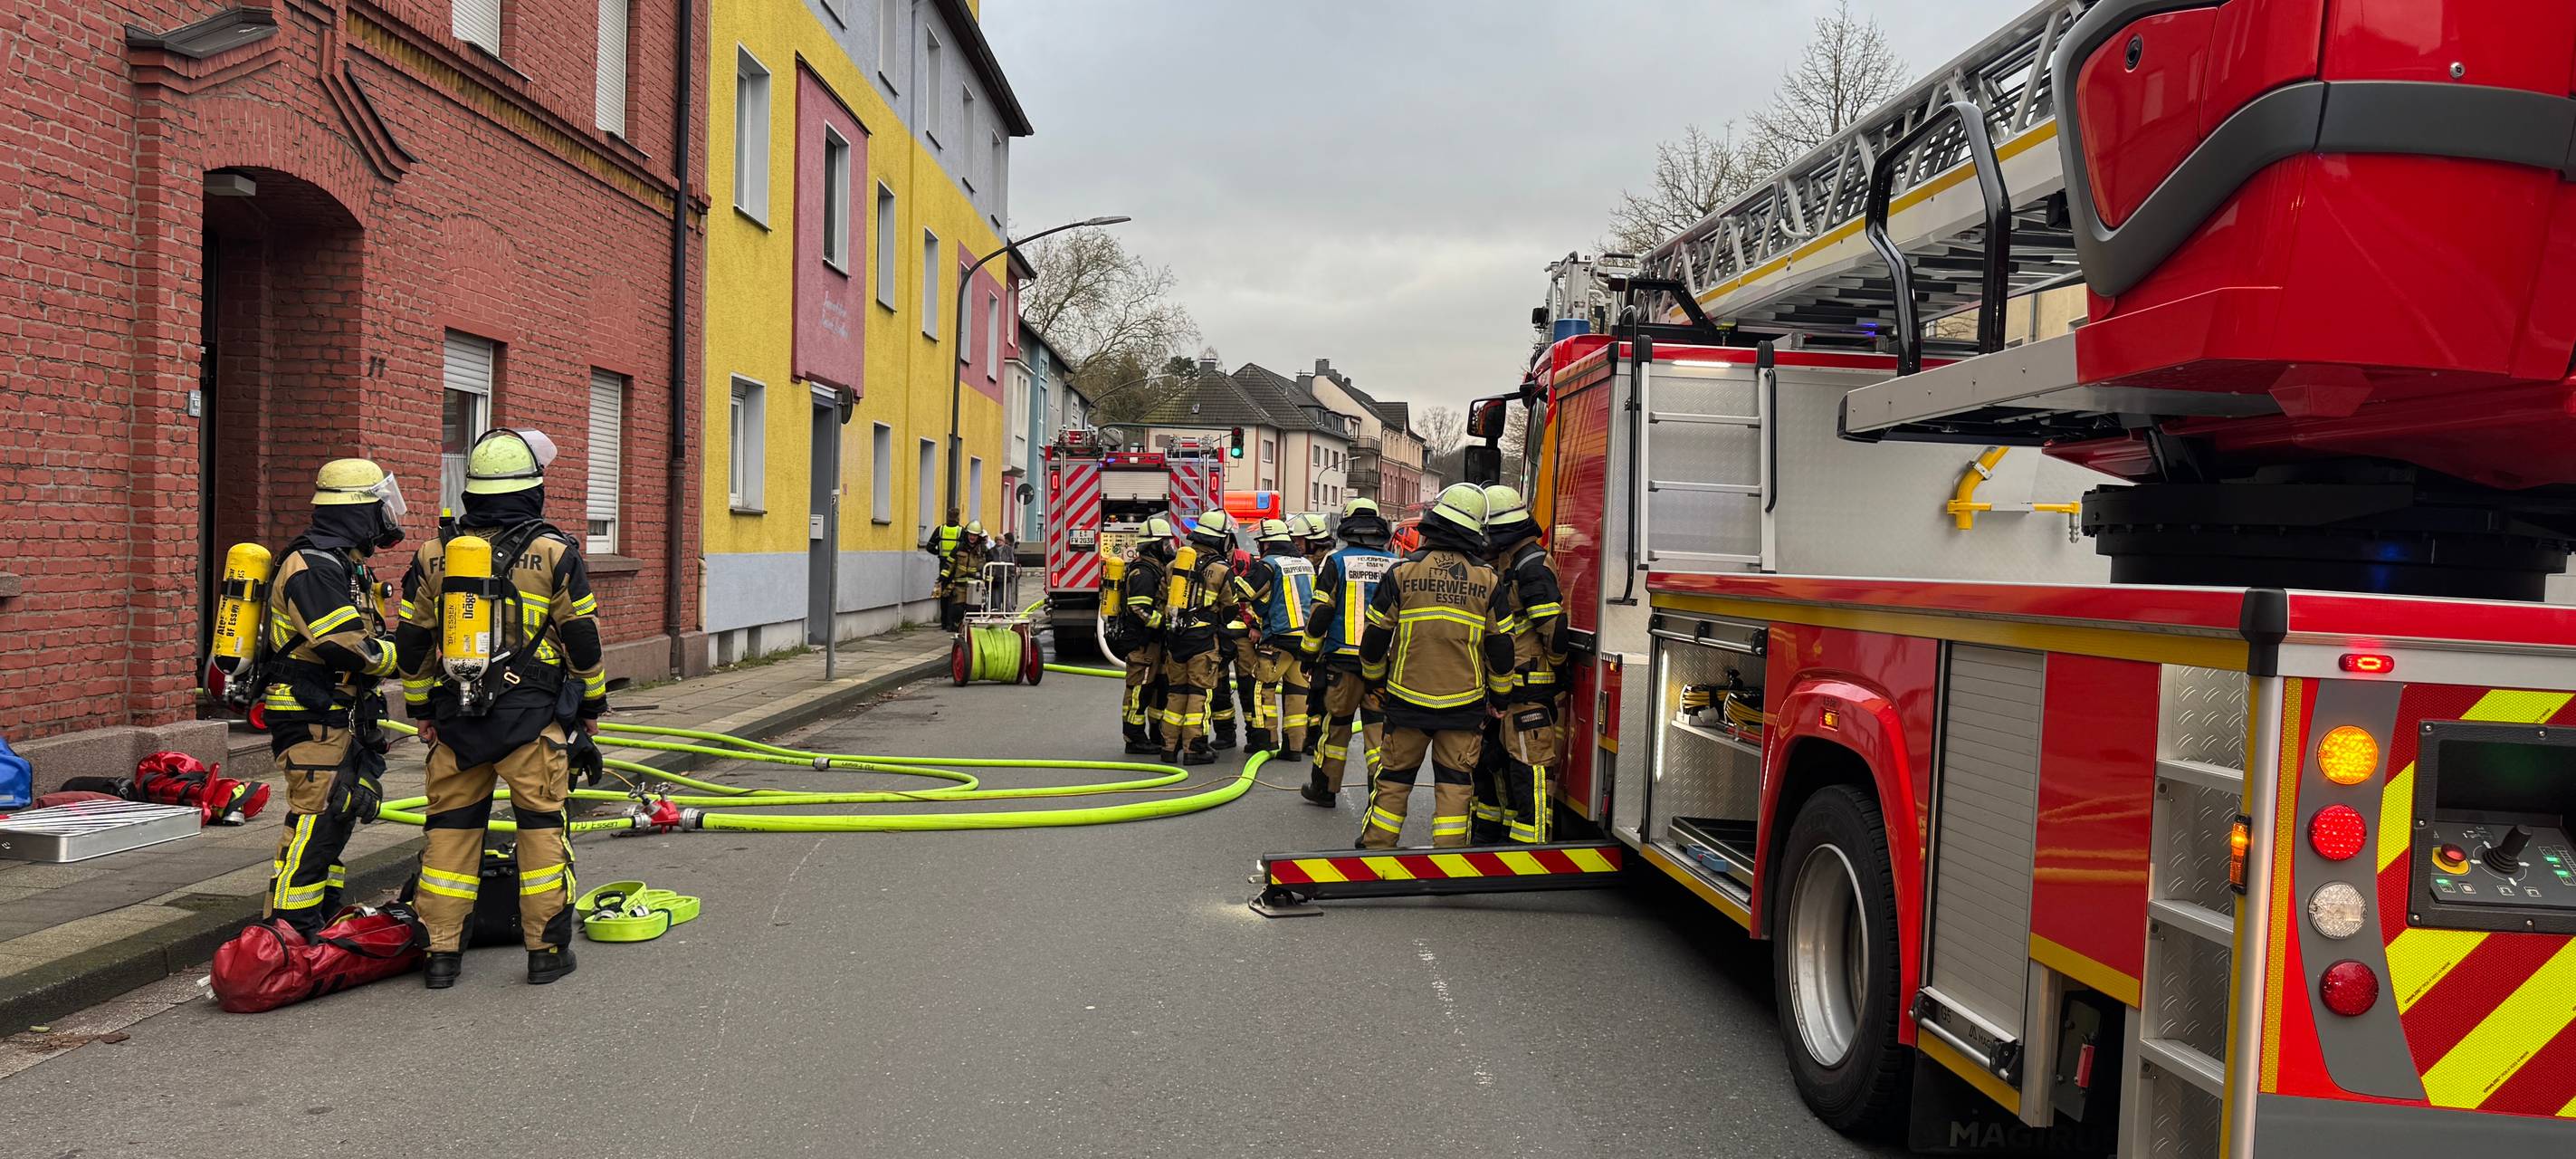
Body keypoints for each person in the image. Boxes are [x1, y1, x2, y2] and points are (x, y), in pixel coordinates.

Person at [395, 428, 604, 989]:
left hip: (456, 721)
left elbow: (412, 642)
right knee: (540, 830)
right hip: (531, 721)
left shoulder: (435, 553)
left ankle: (441, 956)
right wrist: (592, 704)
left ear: (473, 491)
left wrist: (421, 709)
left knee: (450, 834)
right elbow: (582, 639)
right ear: (533, 489)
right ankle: (546, 952)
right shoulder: (554, 552)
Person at [259, 459, 405, 935]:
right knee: (317, 818)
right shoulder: (313, 567)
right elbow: (345, 645)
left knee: (338, 816)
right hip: (312, 712)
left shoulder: (343, 563)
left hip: (338, 712)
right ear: (358, 512)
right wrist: (404, 657)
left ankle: (320, 915)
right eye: (381, 506)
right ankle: (289, 928)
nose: (388, 515)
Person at [1355, 484, 1513, 848]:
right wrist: (1500, 699)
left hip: (1406, 699)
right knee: (1455, 785)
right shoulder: (1488, 579)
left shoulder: (1403, 572)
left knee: (1394, 779)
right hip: (1463, 704)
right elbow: (1501, 647)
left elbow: (1375, 638)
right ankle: (1449, 859)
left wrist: (1375, 681)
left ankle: (1377, 850)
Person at [1475, 485, 1569, 846]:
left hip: (1530, 685)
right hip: (1510, 683)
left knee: (1529, 766)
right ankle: (1499, 837)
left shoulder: (1532, 566)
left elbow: (1553, 629)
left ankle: (1532, 846)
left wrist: (1556, 669)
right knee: (1499, 762)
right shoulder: (1512, 562)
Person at [1297, 499, 1395, 805]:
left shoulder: (1336, 561)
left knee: (1336, 728)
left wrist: (1308, 654)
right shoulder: (1397, 564)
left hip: (1342, 662)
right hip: (1383, 663)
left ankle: (1324, 789)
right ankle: (1380, 797)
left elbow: (1321, 613)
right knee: (1378, 732)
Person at [1157, 510, 1240, 766]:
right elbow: (1230, 607)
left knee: (1176, 692)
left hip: (1175, 640)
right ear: (1220, 539)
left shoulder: (1173, 566)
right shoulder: (1220, 569)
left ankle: (1168, 748)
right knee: (1199, 694)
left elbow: (1161, 601)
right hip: (1203, 641)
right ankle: (1194, 748)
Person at [1232, 519, 1316, 757]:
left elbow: (1245, 592)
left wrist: (1231, 577)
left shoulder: (1269, 565)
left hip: (1279, 638)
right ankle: (1294, 747)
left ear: (1267, 544)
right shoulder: (1306, 564)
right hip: (1304, 639)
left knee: (1262, 688)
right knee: (1298, 692)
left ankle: (1265, 741)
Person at [1117, 515, 1178, 755]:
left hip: (1154, 642)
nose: (1169, 548)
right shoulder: (1142, 572)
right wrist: (1163, 623)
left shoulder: (1156, 568)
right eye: (1165, 543)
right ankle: (1134, 737)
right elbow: (1139, 608)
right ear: (1153, 545)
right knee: (1139, 691)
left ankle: (1156, 733)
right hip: (1142, 643)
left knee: (1158, 689)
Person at [1293, 513, 1335, 757]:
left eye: (1300, 541)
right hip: (1320, 640)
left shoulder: (1331, 564)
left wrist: (1310, 650)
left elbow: (1323, 610)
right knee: (1316, 692)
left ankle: (1319, 738)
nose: (1297, 545)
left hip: (1330, 641)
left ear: (1313, 541)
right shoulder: (1314, 564)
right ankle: (1313, 737)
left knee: (1324, 693)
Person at [924, 508, 968, 630]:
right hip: (957, 565)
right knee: (956, 593)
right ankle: (951, 622)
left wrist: (939, 553)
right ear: (958, 517)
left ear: (947, 516)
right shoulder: (961, 531)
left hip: (943, 564)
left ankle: (944, 622)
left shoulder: (940, 530)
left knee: (944, 594)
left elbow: (929, 547)